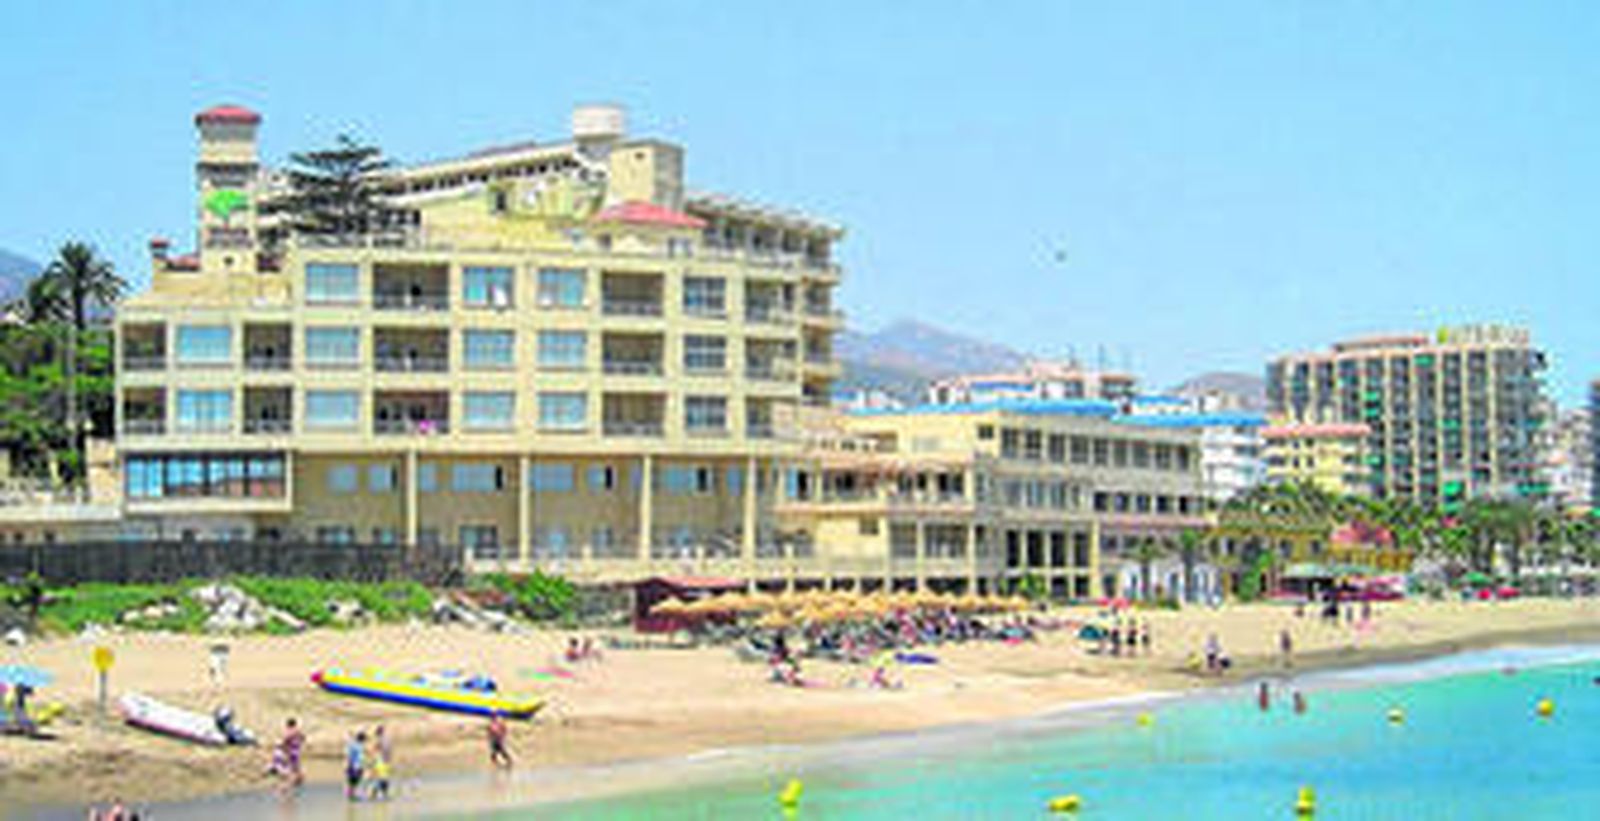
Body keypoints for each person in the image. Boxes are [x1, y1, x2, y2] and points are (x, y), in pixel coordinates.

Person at [368, 724, 392, 801]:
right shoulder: (387, 739)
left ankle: (374, 795)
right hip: (386, 761)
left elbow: (374, 750)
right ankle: (384, 795)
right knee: (384, 778)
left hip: (381, 761)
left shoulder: (380, 740)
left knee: (378, 778)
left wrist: (371, 761)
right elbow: (388, 751)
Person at [345, 730, 367, 800]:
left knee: (352, 781)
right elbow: (360, 757)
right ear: (362, 739)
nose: (364, 741)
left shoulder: (352, 744)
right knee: (356, 781)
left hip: (351, 765)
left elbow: (349, 754)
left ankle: (350, 795)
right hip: (356, 766)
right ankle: (352, 795)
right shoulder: (359, 746)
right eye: (364, 740)